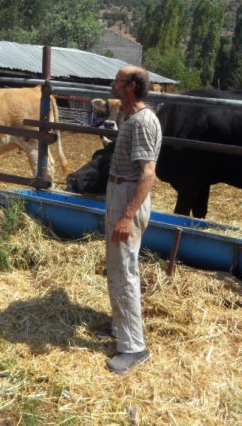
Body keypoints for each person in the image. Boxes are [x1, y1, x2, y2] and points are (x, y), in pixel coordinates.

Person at [103, 65, 162, 374]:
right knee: (117, 266)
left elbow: (147, 174)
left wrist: (126, 216)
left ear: (131, 87)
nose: (113, 83)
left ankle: (134, 347)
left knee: (124, 270)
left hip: (127, 198)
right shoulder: (131, 118)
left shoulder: (141, 122)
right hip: (119, 193)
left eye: (118, 79)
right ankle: (119, 328)